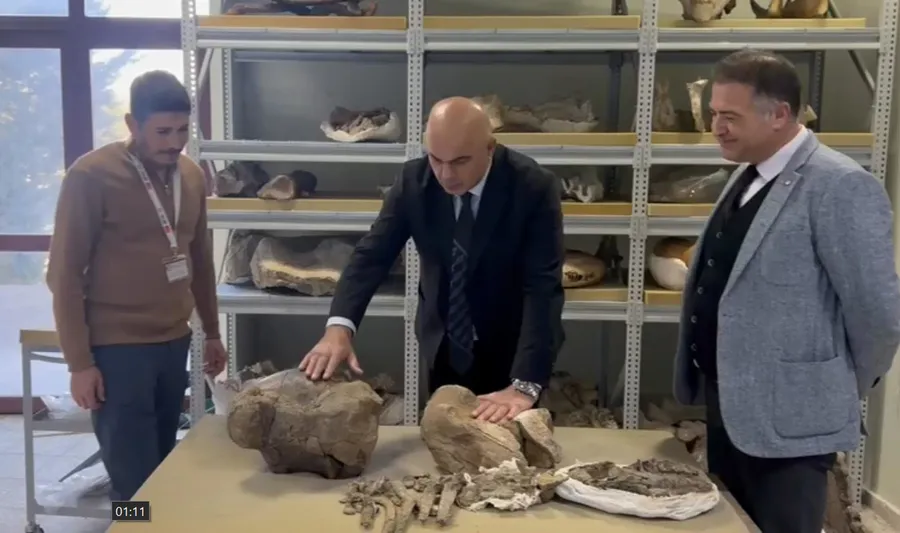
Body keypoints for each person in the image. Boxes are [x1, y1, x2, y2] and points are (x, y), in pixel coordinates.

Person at [673, 49, 900, 533]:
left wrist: (827, 387)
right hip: (731, 407)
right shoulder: (748, 173)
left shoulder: (841, 186)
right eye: (714, 114)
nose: (716, 128)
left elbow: (878, 316)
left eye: (730, 116)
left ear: (779, 114)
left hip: (793, 422)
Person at [299, 97, 565, 423]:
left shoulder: (533, 186)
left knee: (506, 445)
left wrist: (525, 385)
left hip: (511, 347)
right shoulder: (415, 180)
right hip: (443, 342)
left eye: (460, 161)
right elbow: (372, 256)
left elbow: (542, 287)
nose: (446, 175)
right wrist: (339, 327)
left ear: (490, 148)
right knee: (443, 437)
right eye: (436, 159)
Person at [46, 70, 227, 501]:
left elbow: (200, 261)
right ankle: (129, 525)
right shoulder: (91, 176)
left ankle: (153, 526)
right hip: (117, 350)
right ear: (132, 123)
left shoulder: (191, 176)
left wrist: (212, 331)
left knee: (162, 466)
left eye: (182, 130)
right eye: (162, 131)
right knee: (131, 475)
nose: (174, 142)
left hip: (173, 342)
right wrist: (79, 363)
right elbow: (64, 275)